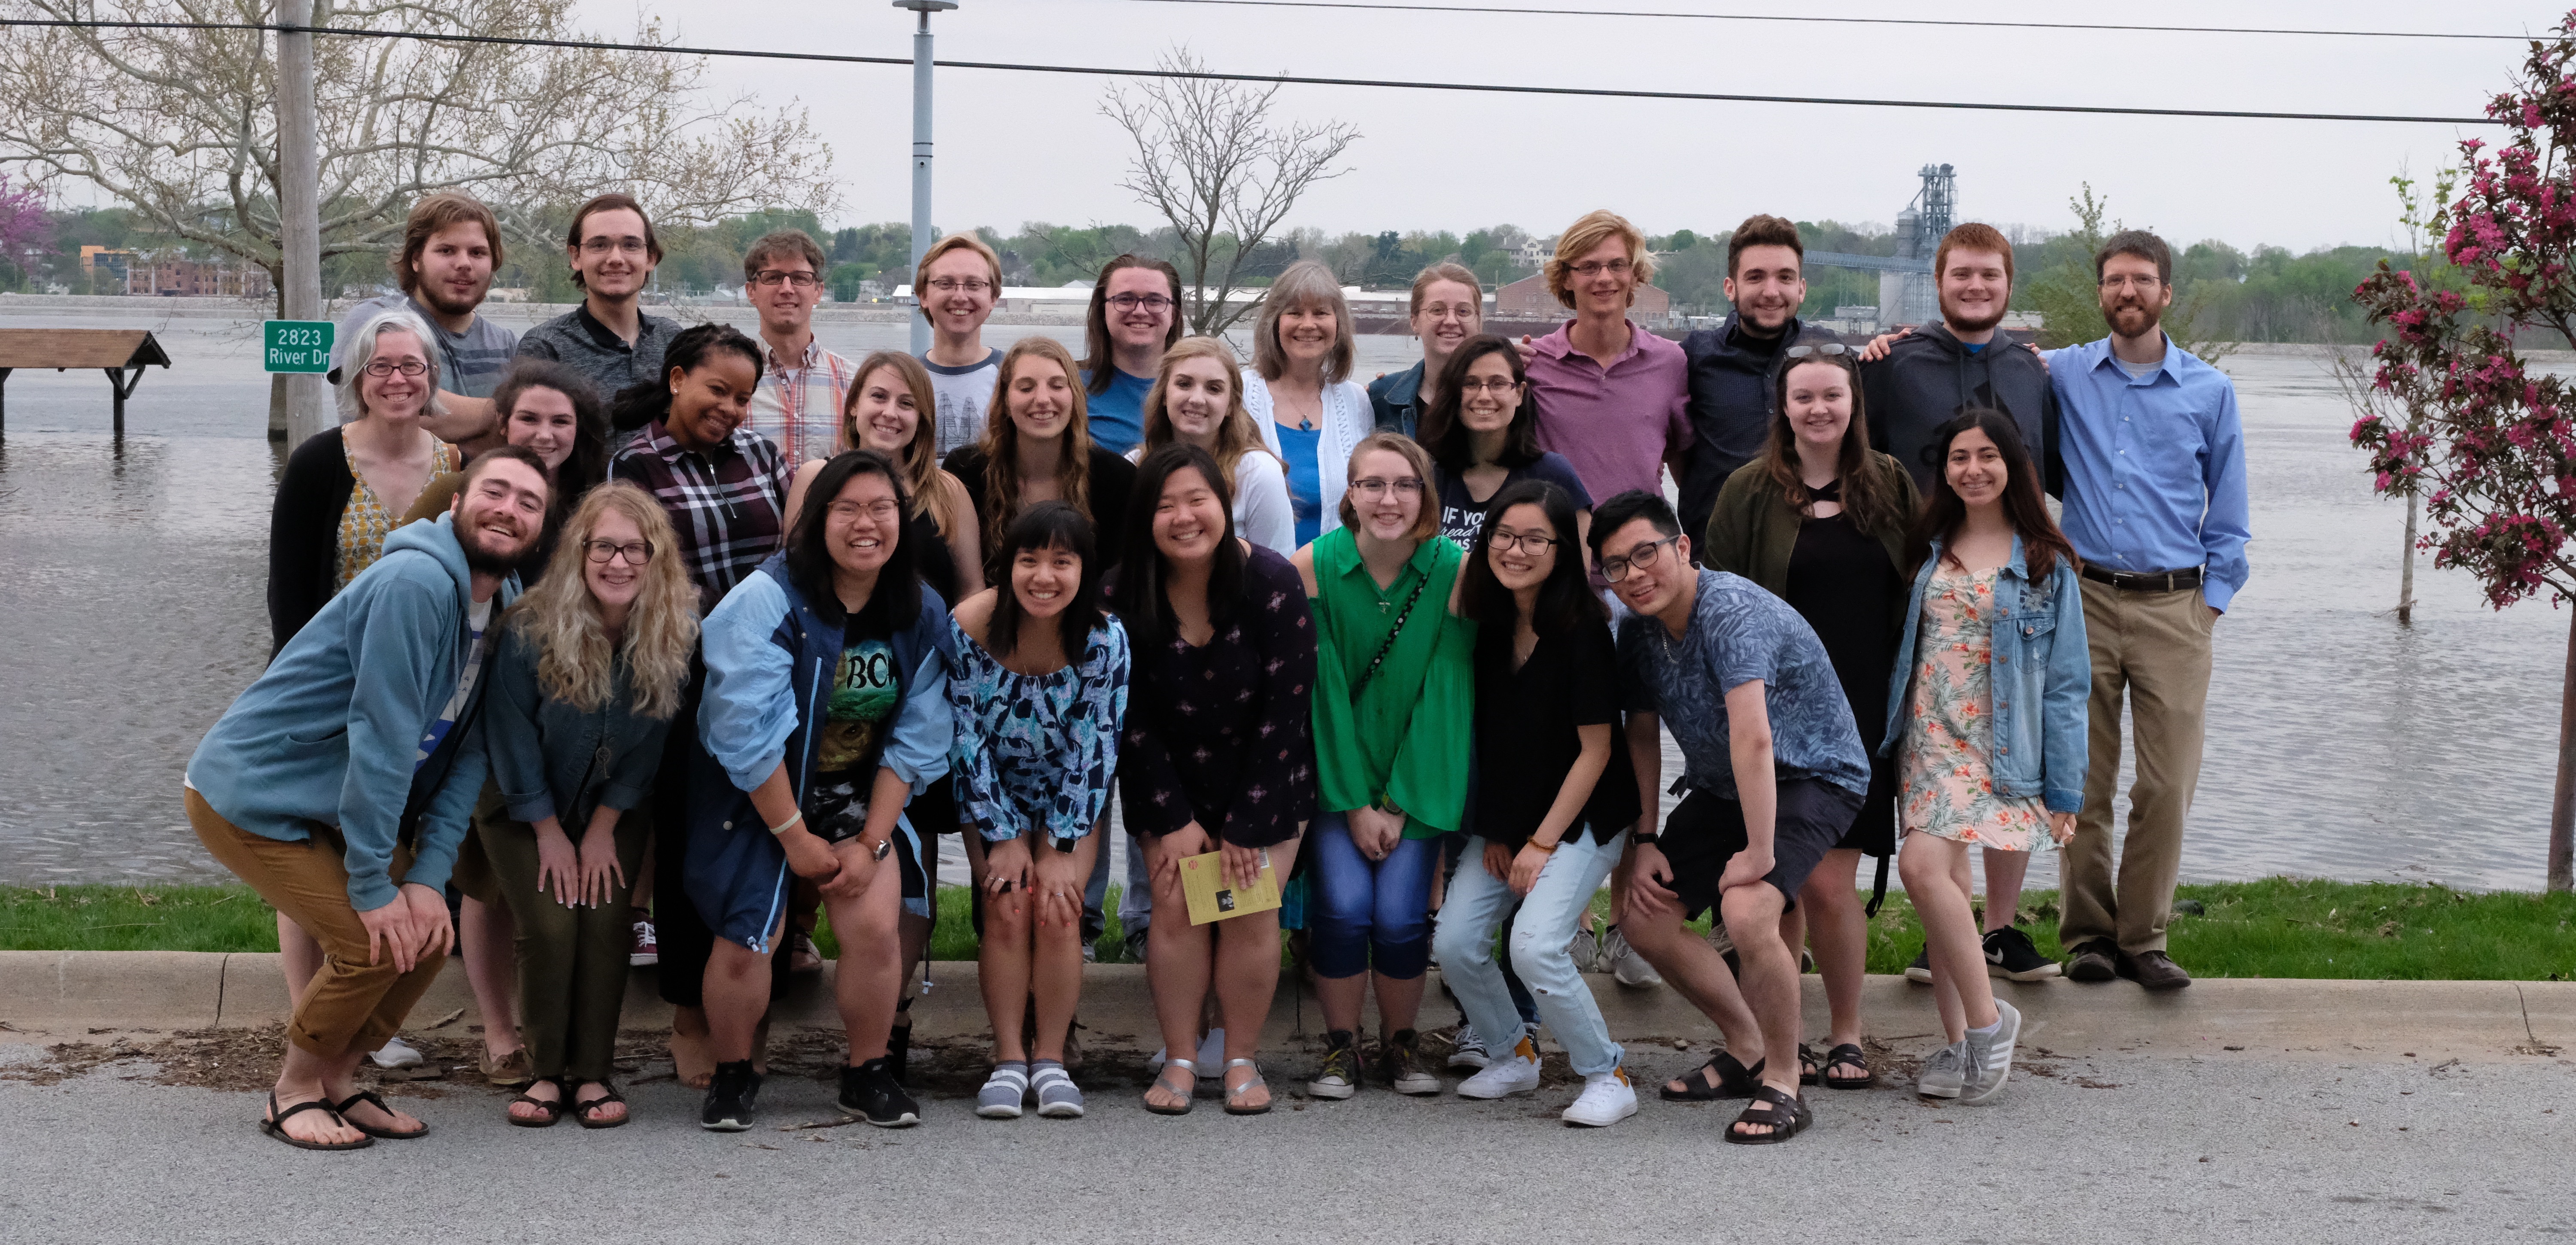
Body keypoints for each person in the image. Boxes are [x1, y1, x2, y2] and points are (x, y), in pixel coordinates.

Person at [185, 447, 550, 1149]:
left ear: (539, 529)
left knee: (426, 931)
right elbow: (382, 741)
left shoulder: (501, 607)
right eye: (495, 492)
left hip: (327, 805)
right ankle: (291, 1091)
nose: (509, 509)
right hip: (250, 793)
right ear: (456, 507)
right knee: (369, 943)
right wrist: (374, 887)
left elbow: (469, 756)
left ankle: (340, 1080)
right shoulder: (417, 582)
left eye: (528, 503)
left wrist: (424, 878)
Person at [1595, 489, 1871, 1145]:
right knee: (1641, 913)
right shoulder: (1636, 630)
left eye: (1646, 554)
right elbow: (1640, 734)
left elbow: (1755, 738)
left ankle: (1784, 1081)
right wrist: (1645, 837)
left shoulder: (1730, 611)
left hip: (1813, 774)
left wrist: (1756, 849)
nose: (1634, 575)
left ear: (1682, 547)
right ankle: (1748, 1046)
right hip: (1724, 786)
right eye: (1615, 566)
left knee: (1748, 910)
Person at [692, 450, 957, 1130]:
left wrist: (871, 841)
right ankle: (732, 1074)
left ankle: (866, 1071)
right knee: (752, 931)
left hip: (852, 797)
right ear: (816, 521)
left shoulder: (919, 609)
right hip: (760, 794)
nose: (866, 524)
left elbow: (917, 739)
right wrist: (794, 838)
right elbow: (745, 733)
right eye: (848, 509)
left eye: (882, 509)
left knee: (873, 926)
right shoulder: (766, 599)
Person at [1700, 344, 1918, 1092]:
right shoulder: (1747, 491)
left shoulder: (1889, 484)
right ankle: (1773, 1038)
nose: (1819, 410)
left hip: (1861, 708)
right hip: (1775, 711)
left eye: (1833, 396)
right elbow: (1716, 600)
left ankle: (1847, 1034)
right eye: (1804, 398)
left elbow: (1918, 592)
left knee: (1829, 887)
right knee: (1780, 886)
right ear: (1783, 408)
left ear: (1854, 403)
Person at [1859, 221, 2064, 985]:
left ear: (2009, 284)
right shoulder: (1893, 363)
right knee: (1936, 747)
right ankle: (1940, 925)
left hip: (2016, 579)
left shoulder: (2035, 370)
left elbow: (2056, 469)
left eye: (1989, 275)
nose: (1975, 287)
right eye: (1962, 275)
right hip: (1924, 581)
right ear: (1939, 282)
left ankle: (2003, 932)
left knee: (2015, 745)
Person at [396, 359, 611, 1085]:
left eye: (561, 421)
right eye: (529, 419)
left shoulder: (599, 506)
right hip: (481, 711)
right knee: (486, 882)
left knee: (559, 879)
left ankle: (564, 1032)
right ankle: (498, 1032)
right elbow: (411, 573)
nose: (545, 434)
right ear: (502, 424)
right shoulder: (468, 491)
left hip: (576, 729)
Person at [2049, 230, 2250, 991]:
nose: (2126, 293)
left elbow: (2229, 514)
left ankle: (2145, 937)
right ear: (2102, 293)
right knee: (2083, 780)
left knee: (2167, 785)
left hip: (2177, 606)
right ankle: (2089, 936)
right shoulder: (2063, 373)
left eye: (2141, 281)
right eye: (2114, 281)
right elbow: (1982, 360)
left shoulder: (2210, 391)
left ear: (2166, 293)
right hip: (2085, 600)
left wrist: (2212, 604)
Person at [783, 349, 986, 1060]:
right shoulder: (816, 478)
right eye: (878, 398)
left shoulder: (948, 493)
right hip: (830, 712)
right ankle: (794, 965)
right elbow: (791, 589)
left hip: (915, 705)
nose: (890, 413)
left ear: (923, 419)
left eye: (906, 403)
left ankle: (891, 1018)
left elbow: (970, 599)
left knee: (910, 861)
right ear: (854, 405)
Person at [605, 321, 790, 1088]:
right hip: (680, 683)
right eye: (719, 390)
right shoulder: (633, 465)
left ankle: (747, 1015)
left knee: (764, 845)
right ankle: (688, 1013)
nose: (733, 409)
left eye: (745, 397)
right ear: (678, 378)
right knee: (690, 854)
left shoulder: (764, 457)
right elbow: (629, 576)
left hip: (764, 684)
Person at [480, 481, 696, 1129]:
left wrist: (604, 828)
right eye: (604, 546)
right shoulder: (529, 629)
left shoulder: (673, 633)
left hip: (613, 807)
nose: (619, 562)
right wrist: (547, 830)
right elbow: (510, 736)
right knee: (551, 922)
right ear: (579, 553)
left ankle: (593, 1073)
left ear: (657, 558)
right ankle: (548, 1072)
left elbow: (651, 740)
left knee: (606, 922)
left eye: (636, 549)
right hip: (522, 806)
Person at [1429, 479, 1643, 1125]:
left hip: (1584, 820)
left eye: (1534, 539)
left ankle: (1608, 1074)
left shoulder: (1584, 630)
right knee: (1459, 940)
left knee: (1535, 945)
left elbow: (1596, 752)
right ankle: (1513, 1054)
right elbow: (1492, 743)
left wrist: (1541, 845)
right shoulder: (1489, 627)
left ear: (1561, 550)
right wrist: (1499, 832)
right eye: (1504, 535)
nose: (1516, 550)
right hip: (1513, 820)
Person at [1891, 410, 2089, 1102]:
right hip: (1925, 739)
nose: (1972, 469)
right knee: (1938, 885)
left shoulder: (2044, 560)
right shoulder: (1927, 544)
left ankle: (1988, 1021)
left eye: (1986, 456)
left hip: (1997, 747)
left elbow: (2068, 685)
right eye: (1957, 457)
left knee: (1919, 866)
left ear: (2013, 466)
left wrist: (2066, 790)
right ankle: (1958, 1050)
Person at [1113, 444, 1316, 1115]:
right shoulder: (1119, 591)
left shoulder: (1273, 580)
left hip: (1266, 775)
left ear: (1224, 507)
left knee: (1248, 904)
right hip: (1165, 777)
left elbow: (1288, 706)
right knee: (1175, 907)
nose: (1183, 517)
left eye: (1196, 500)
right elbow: (1127, 713)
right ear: (1145, 516)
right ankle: (1178, 1056)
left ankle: (1239, 1058)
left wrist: (1245, 824)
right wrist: (1173, 818)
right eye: (1165, 504)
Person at [1291, 432, 1475, 1099]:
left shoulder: (1453, 568)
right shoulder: (1313, 566)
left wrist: (1398, 803)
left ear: (1424, 494)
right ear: (1350, 492)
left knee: (1400, 918)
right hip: (1340, 780)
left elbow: (1446, 689)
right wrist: (1356, 804)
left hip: (1419, 777)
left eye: (1404, 485)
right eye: (1373, 485)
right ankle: (1342, 1048)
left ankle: (1401, 1045)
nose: (1388, 499)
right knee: (1342, 910)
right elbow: (1323, 692)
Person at [949, 503, 1132, 1120]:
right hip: (992, 795)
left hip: (1069, 800)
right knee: (1007, 906)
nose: (1044, 576)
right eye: (1029, 560)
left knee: (1058, 910)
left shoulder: (1105, 639)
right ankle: (1006, 1060)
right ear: (1008, 567)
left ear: (1086, 570)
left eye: (1062, 561)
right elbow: (964, 739)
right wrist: (1002, 836)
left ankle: (1051, 1060)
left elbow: (1096, 747)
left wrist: (1058, 845)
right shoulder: (970, 626)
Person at [270, 309, 462, 654]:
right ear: (359, 378)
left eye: (411, 365)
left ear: (432, 376)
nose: (397, 379)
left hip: (425, 666)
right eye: (381, 366)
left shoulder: (456, 467)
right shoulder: (316, 464)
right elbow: (289, 595)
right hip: (333, 668)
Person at [1677, 213, 1841, 547]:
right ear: (1730, 287)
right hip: (1717, 557)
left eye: (1785, 277)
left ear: (1802, 288)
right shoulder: (1692, 358)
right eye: (1756, 277)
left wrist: (1893, 346)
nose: (1771, 291)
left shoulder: (1834, 355)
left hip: (1809, 552)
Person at [1522, 210, 1691, 508]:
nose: (1605, 278)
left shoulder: (1670, 362)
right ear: (1566, 278)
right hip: (1564, 549)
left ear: (1634, 273)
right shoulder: (1532, 363)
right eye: (1588, 267)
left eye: (1617, 265)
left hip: (1644, 550)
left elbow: (1685, 466)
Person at [328, 192, 519, 446]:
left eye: (477, 253)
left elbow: (529, 439)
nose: (464, 263)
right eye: (446, 250)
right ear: (416, 259)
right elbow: (400, 415)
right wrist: (510, 417)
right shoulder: (376, 321)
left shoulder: (509, 345)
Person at [945, 336, 1139, 585]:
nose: (1043, 399)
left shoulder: (1116, 477)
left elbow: (1116, 582)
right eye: (1026, 388)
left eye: (1057, 386)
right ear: (1005, 400)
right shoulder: (965, 470)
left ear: (1075, 397)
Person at [518, 193, 683, 452]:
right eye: (599, 245)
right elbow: (530, 448)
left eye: (631, 245)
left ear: (650, 258)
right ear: (576, 257)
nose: (616, 258)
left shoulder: (673, 339)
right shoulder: (545, 347)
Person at [1417, 332, 1593, 554]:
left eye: (1498, 384)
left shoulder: (1554, 475)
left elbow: (1578, 576)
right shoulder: (1430, 476)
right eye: (1470, 384)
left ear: (1519, 394)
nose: (1484, 395)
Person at [1246, 260, 1375, 551]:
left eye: (1321, 313)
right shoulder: (1238, 394)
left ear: (1338, 324)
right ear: (1274, 322)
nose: (1308, 324)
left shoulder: (1357, 401)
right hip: (1253, 582)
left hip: (1336, 584)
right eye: (1294, 312)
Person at [1129, 335, 1295, 556]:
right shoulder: (1134, 467)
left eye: (1214, 389)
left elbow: (1279, 569)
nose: (1197, 399)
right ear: (1164, 395)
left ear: (1231, 406)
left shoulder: (1258, 472)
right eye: (1184, 384)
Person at [742, 228, 855, 465]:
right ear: (751, 291)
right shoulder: (727, 382)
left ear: (818, 292)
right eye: (772, 277)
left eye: (801, 278)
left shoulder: (854, 383)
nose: (786, 288)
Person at [1078, 254, 1185, 455]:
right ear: (1102, 311)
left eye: (1155, 301)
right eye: (1125, 299)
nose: (1140, 311)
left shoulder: (1201, 393)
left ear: (1175, 315)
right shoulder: (1068, 386)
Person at [915, 232, 1006, 460]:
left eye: (974, 285)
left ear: (993, 297)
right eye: (945, 284)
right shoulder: (905, 379)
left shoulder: (1014, 378)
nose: (960, 296)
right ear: (923, 295)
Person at [1367, 261, 1484, 437]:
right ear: (1415, 321)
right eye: (1437, 310)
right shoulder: (1380, 399)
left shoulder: (1504, 398)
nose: (1451, 321)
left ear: (1479, 322)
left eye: (1463, 311)